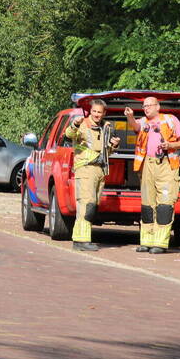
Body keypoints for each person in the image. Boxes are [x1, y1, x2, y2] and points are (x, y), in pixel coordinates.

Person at [125, 96, 180, 253]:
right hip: (148, 165)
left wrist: (170, 145)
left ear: (157, 107)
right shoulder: (143, 122)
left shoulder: (170, 120)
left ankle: (160, 243)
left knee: (164, 207)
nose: (146, 108)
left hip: (167, 165)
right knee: (147, 205)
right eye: (144, 106)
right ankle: (146, 241)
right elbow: (135, 126)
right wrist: (130, 117)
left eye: (149, 105)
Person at [64, 100, 120, 251]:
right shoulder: (83, 124)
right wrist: (75, 124)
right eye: (94, 111)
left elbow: (107, 151)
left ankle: (84, 239)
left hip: (100, 170)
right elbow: (68, 135)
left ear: (104, 113)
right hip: (86, 168)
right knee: (86, 204)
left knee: (93, 206)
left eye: (99, 112)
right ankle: (81, 240)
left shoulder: (105, 128)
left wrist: (114, 144)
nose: (96, 114)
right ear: (91, 111)